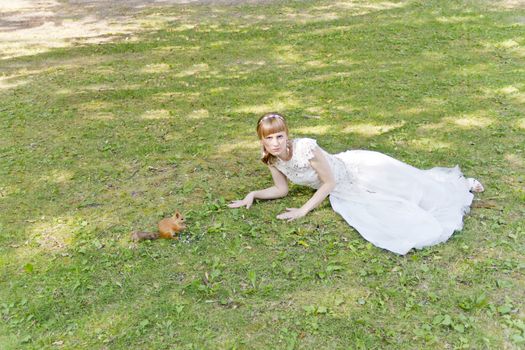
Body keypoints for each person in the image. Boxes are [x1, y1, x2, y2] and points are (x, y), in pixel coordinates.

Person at [228, 113, 484, 255]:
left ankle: (461, 186)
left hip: (355, 171)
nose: (275, 142)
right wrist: (254, 194)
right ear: (262, 141)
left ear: (288, 135)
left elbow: (329, 182)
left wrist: (303, 210)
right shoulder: (272, 160)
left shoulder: (305, 147)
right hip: (343, 190)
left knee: (413, 185)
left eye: (280, 136)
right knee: (390, 207)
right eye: (269, 138)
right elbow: (281, 190)